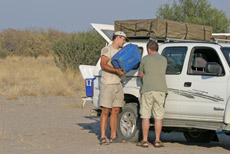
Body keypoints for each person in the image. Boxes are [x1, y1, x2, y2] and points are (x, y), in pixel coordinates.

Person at [136, 40, 168, 148]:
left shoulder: (144, 59)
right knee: (158, 117)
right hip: (161, 90)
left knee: (145, 116)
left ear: (148, 49)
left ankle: (144, 140)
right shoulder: (164, 59)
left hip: (147, 90)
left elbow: (141, 74)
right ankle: (157, 140)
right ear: (157, 49)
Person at [99, 31, 128, 145]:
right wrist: (116, 70)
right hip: (108, 84)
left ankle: (113, 136)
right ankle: (102, 136)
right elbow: (103, 64)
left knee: (116, 110)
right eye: (123, 39)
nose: (124, 42)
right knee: (106, 110)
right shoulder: (107, 50)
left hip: (118, 84)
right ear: (118, 38)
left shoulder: (122, 52)